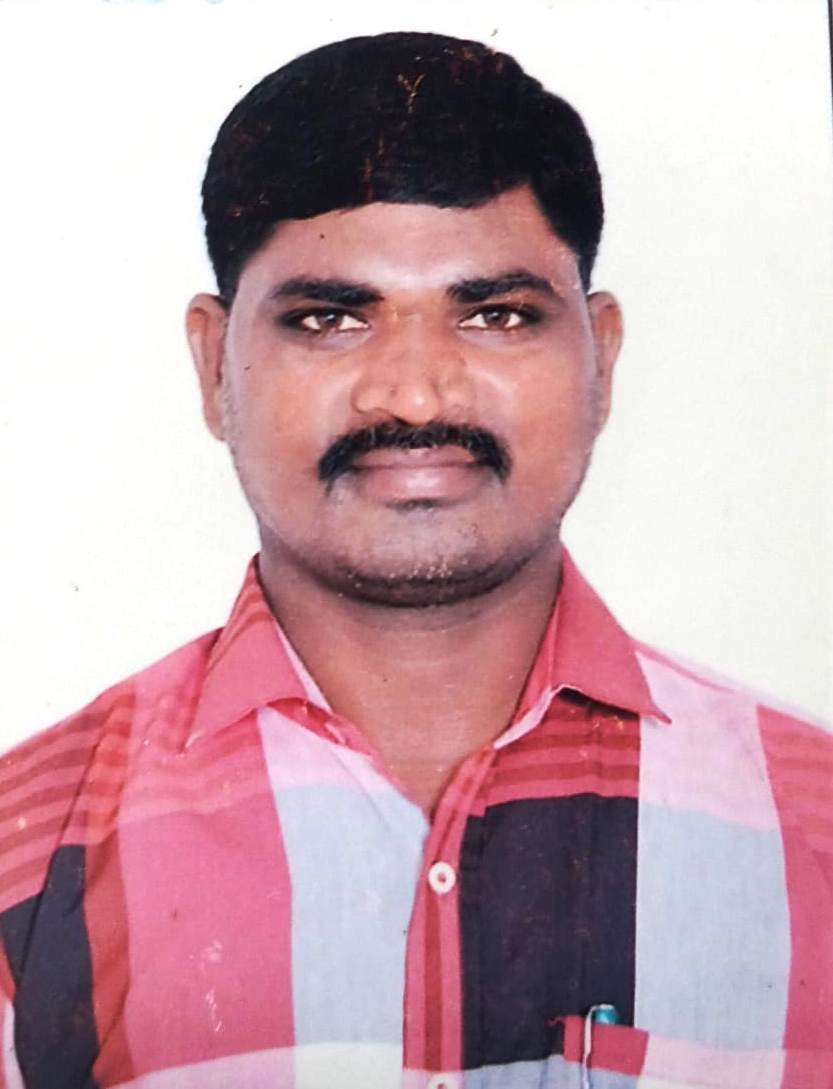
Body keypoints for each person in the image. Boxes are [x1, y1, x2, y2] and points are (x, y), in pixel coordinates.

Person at [0, 30, 830, 1089]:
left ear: (601, 358)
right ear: (214, 367)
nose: (414, 393)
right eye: (329, 319)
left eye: (495, 315)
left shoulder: (815, 828)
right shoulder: (26, 868)